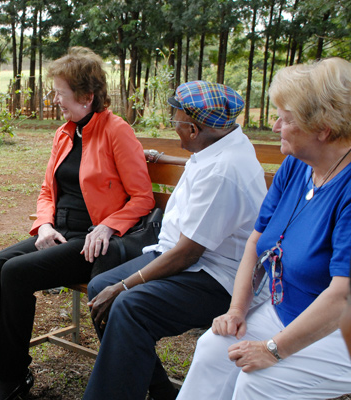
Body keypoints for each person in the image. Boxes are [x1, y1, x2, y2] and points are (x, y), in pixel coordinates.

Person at [0, 47, 155, 400]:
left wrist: (108, 226)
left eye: (60, 93)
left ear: (87, 96)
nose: (55, 100)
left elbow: (142, 197)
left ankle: (10, 380)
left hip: (92, 241)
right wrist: (44, 225)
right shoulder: (65, 133)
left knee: (16, 273)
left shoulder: (117, 131)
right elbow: (46, 190)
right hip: (59, 233)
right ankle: (1, 370)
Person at [177, 58, 351, 400]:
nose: (274, 127)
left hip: (340, 333)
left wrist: (273, 350)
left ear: (323, 129)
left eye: (285, 119)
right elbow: (256, 242)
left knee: (260, 382)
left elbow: (341, 297)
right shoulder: (297, 166)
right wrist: (237, 310)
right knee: (214, 347)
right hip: (286, 310)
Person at [83, 81, 268, 400]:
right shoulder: (220, 141)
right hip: (184, 255)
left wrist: (125, 284)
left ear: (194, 129)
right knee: (102, 287)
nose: (174, 127)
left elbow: (188, 255)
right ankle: (159, 390)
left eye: (176, 122)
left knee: (128, 305)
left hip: (220, 277)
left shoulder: (223, 171)